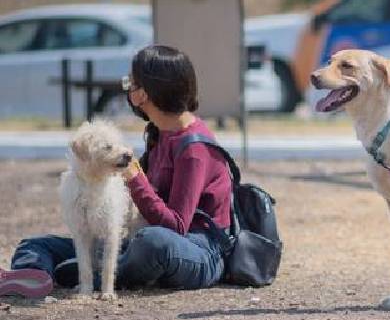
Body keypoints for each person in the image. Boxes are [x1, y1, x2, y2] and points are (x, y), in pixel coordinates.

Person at [2, 45, 231, 296]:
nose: (128, 89)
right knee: (35, 245)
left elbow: (176, 227)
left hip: (197, 250)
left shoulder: (194, 149)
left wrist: (135, 178)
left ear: (145, 93)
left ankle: (88, 274)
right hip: (143, 237)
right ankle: (35, 275)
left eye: (131, 83)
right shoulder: (160, 132)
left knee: (152, 242)